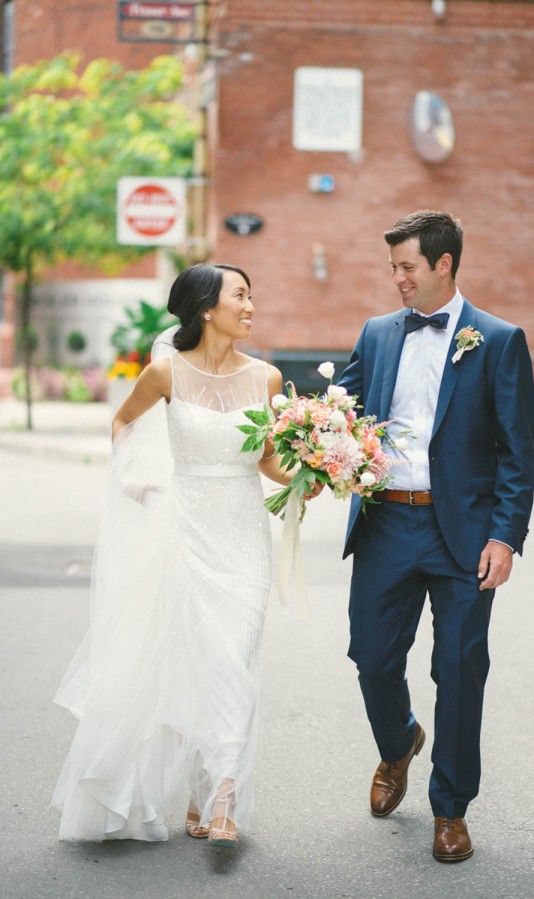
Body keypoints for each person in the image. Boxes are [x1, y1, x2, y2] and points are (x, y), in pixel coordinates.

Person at [51, 263, 308, 847]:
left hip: (242, 532)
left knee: (233, 661)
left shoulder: (266, 378)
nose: (250, 305)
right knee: (195, 663)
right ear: (205, 309)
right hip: (183, 528)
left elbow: (266, 458)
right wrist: (136, 479)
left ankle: (222, 798)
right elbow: (122, 422)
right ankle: (205, 792)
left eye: (251, 294)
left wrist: (305, 475)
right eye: (240, 295)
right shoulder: (166, 373)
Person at [338, 210, 534, 862]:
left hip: (465, 532)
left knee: (459, 668)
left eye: (406, 267)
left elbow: (516, 451)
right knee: (370, 655)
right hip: (386, 520)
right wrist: (314, 441)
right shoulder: (375, 333)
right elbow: (340, 407)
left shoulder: (498, 340)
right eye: (393, 266)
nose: (396, 278)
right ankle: (398, 743)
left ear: (443, 264)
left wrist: (504, 537)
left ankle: (451, 806)